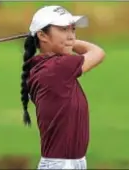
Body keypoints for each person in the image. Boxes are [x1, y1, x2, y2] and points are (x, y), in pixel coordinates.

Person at [20, 5, 105, 170]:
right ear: (42, 35)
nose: (71, 36)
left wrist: (65, 41)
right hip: (61, 165)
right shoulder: (57, 68)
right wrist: (72, 43)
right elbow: (97, 52)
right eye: (64, 29)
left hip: (69, 163)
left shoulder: (43, 66)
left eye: (73, 30)